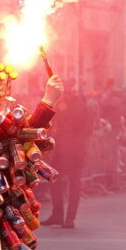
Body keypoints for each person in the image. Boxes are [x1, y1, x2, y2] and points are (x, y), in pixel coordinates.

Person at [44, 80, 95, 229]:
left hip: (74, 150)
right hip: (63, 150)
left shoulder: (80, 108)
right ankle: (59, 215)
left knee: (73, 183)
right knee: (56, 180)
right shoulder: (66, 106)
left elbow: (84, 129)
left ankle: (68, 218)